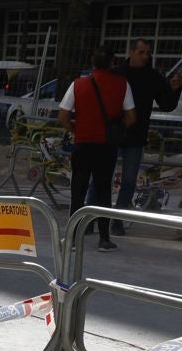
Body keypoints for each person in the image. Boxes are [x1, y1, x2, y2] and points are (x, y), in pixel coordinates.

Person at [58, 45, 136, 252]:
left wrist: (77, 129)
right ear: (113, 62)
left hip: (83, 143)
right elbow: (131, 117)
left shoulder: (78, 84)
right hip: (107, 146)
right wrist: (114, 129)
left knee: (78, 190)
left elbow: (63, 116)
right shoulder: (122, 84)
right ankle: (104, 239)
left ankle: (72, 239)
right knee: (103, 191)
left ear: (93, 61)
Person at [108, 38, 182, 233]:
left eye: (147, 53)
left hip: (136, 135)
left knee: (128, 181)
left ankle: (117, 219)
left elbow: (166, 104)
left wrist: (175, 89)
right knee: (101, 178)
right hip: (113, 133)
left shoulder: (152, 77)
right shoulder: (117, 74)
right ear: (132, 52)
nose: (145, 56)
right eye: (141, 52)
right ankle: (93, 218)